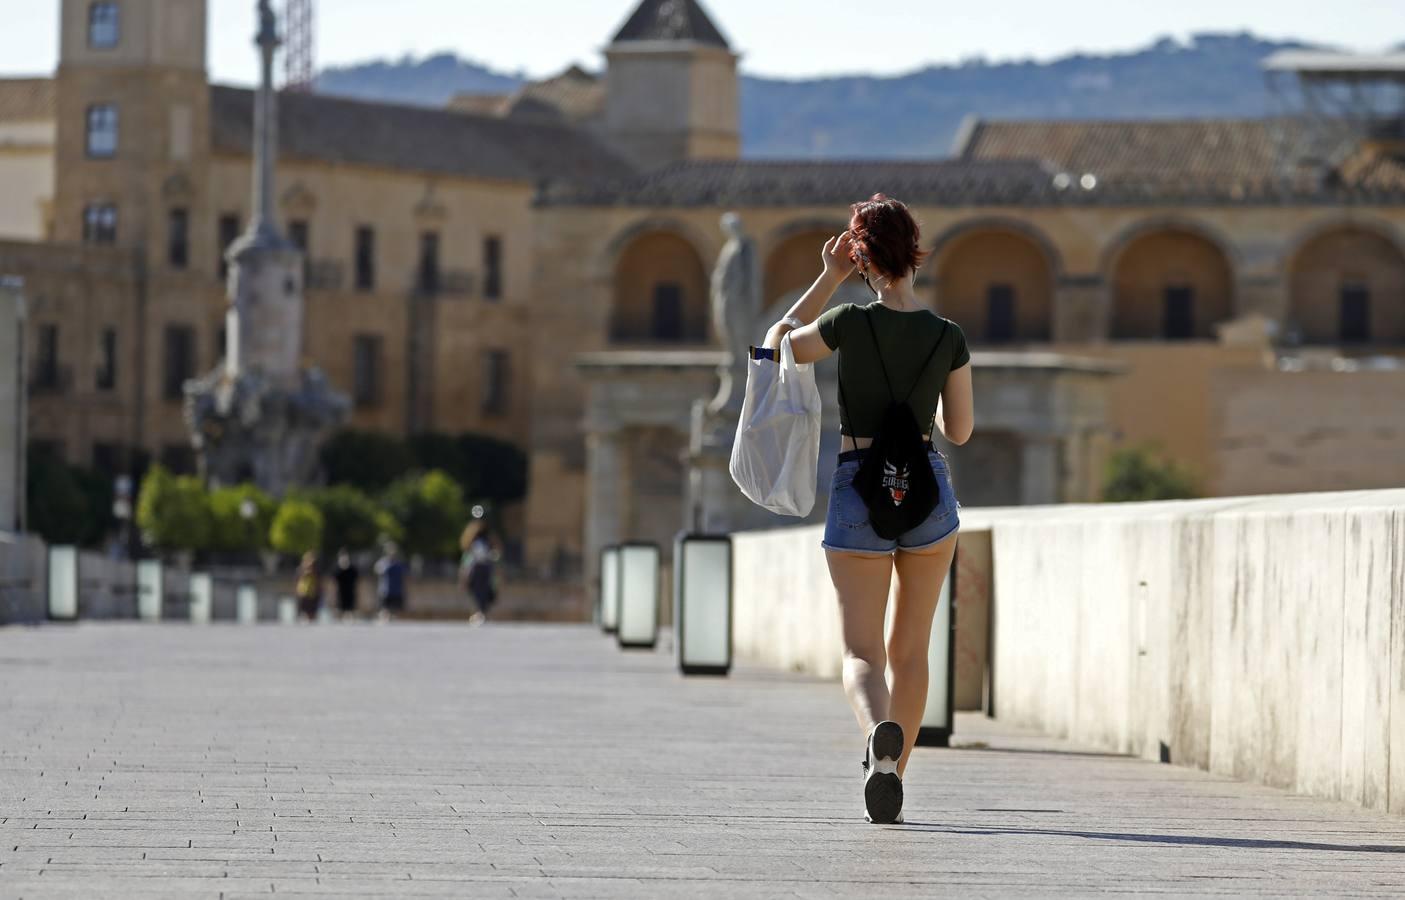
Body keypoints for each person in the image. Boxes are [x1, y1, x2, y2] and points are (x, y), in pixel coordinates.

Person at [760, 194, 974, 825]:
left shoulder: (848, 322)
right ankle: (892, 774)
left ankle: (877, 733)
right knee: (911, 653)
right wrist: (925, 398)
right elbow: (958, 430)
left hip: (859, 484)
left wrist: (828, 276)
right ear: (915, 252)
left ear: (863, 258)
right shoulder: (948, 336)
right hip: (928, 491)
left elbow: (774, 349)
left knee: (861, 654)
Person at [458, 521, 499, 625]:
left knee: (478, 593)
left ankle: (479, 614)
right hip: (483, 569)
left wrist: (464, 576)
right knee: (482, 592)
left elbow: (467, 561)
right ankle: (481, 614)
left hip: (478, 570)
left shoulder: (475, 541)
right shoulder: (487, 541)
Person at [374, 542, 407, 621]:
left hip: (396, 590)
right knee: (384, 608)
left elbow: (404, 572)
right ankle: (383, 616)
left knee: (394, 609)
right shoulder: (383, 562)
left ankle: (389, 617)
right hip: (385, 590)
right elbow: (378, 570)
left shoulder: (398, 563)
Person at [332, 548, 359, 620]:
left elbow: (356, 577)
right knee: (340, 610)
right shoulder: (338, 569)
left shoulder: (352, 569)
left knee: (350, 609)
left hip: (350, 592)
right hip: (341, 593)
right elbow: (334, 578)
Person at [294, 551, 322, 622]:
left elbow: (319, 582)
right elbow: (297, 581)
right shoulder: (300, 569)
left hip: (313, 594)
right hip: (303, 594)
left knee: (312, 614)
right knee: (303, 614)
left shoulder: (316, 570)